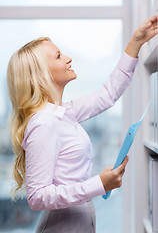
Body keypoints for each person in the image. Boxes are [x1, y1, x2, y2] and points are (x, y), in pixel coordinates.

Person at [7, 15, 158, 233]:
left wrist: (136, 42)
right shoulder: (43, 124)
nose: (68, 58)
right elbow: (37, 197)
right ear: (41, 75)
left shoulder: (64, 113)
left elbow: (107, 95)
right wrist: (99, 184)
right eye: (58, 56)